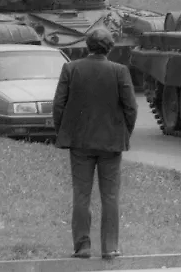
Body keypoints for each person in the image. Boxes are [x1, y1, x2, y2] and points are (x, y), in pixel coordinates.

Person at [52, 28, 138, 260]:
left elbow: (59, 104)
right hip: (111, 144)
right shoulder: (120, 71)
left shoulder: (71, 69)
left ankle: (82, 246)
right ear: (109, 48)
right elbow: (131, 108)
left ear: (86, 46)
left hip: (79, 143)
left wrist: (63, 132)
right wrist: (123, 133)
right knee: (110, 196)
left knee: (81, 194)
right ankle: (110, 247)